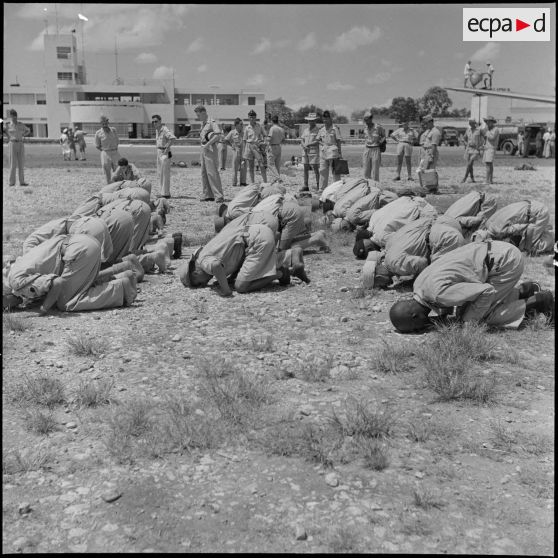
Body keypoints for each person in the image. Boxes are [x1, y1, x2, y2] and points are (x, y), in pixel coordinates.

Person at [389, 241, 554, 333]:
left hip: (506, 263)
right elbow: (451, 291)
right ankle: (525, 291)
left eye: (416, 328)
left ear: (414, 316)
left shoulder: (438, 295)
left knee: (483, 317)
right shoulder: (419, 285)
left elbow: (486, 291)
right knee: (468, 311)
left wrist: (469, 322)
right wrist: (445, 316)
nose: (420, 329)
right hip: (497, 251)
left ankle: (539, 301)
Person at [3, 234, 137, 314]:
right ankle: (120, 271)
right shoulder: (15, 265)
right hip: (81, 242)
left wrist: (43, 309)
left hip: (77, 252)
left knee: (66, 302)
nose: (7, 308)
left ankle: (121, 289)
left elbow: (58, 283)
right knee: (80, 285)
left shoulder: (16, 281)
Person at [178, 217, 309, 297]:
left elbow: (216, 266)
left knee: (241, 286)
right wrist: (226, 279)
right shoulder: (205, 251)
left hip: (255, 241)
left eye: (200, 283)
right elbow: (235, 259)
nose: (205, 283)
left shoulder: (203, 262)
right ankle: (291, 254)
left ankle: (280, 273)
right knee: (260, 262)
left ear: (195, 273)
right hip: (258, 232)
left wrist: (226, 290)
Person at [365, 216, 465, 289]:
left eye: (381, 285)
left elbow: (422, 263)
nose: (386, 285)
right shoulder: (389, 246)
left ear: (379, 277)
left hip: (446, 240)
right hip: (444, 223)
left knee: (443, 277)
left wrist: (415, 281)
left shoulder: (393, 264)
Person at [353, 195, 437, 259]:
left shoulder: (383, 239)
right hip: (412, 199)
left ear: (370, 250)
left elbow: (405, 244)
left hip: (424, 211)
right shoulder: (373, 220)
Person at [22, 215, 114, 265]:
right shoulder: (43, 236)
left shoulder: (32, 244)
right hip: (95, 222)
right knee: (100, 261)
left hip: (84, 228)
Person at [472, 200, 554, 255]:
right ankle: (545, 230)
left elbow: (529, 228)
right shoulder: (488, 223)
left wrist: (526, 249)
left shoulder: (499, 231)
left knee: (533, 246)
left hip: (538, 213)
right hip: (532, 205)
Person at [194, 104, 225, 203]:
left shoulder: (211, 122)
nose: (197, 117)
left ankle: (219, 195)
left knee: (212, 173)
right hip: (204, 148)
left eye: (198, 115)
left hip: (210, 148)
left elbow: (218, 135)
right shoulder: (203, 123)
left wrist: (207, 144)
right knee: (204, 172)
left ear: (203, 113)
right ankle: (207, 194)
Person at [3, 109, 31, 186]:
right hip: (12, 143)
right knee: (12, 164)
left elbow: (28, 130)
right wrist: (8, 137)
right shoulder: (8, 125)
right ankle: (11, 182)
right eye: (12, 116)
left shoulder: (21, 124)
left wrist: (23, 135)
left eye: (15, 116)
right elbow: (3, 130)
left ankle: (22, 182)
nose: (14, 118)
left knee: (21, 163)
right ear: (10, 116)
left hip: (20, 143)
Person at [317, 110, 343, 192]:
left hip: (333, 151)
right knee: (323, 170)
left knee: (335, 171)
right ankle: (322, 189)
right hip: (324, 152)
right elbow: (317, 139)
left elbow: (338, 141)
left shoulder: (335, 129)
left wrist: (340, 152)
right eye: (324, 119)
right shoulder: (321, 129)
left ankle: (337, 188)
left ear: (330, 119)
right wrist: (323, 144)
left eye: (327, 119)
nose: (325, 120)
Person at [152, 114, 176, 199]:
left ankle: (166, 193)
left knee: (165, 174)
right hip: (159, 151)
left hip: (164, 153)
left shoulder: (164, 129)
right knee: (160, 173)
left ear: (160, 121)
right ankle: (162, 192)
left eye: (156, 121)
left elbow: (172, 138)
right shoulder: (157, 130)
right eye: (153, 122)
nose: (154, 123)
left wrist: (167, 148)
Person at [242, 110, 267, 183]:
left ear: (255, 117)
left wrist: (264, 142)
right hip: (249, 146)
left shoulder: (259, 126)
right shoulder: (247, 128)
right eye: (250, 117)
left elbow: (265, 135)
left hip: (257, 146)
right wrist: (244, 152)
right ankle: (252, 183)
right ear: (248, 118)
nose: (252, 118)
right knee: (251, 166)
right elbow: (244, 140)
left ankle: (265, 182)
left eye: (253, 117)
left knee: (261, 165)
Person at [95, 115, 121, 184]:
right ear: (100, 123)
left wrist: (114, 149)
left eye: (105, 122)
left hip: (115, 152)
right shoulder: (98, 133)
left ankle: (117, 185)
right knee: (107, 170)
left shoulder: (114, 130)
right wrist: (105, 151)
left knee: (118, 170)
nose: (104, 124)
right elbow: (97, 145)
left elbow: (117, 141)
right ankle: (109, 185)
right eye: (102, 123)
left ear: (108, 122)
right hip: (105, 153)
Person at [361, 110, 385, 182]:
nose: (366, 121)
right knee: (366, 170)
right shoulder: (365, 128)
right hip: (367, 149)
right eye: (365, 120)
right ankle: (367, 186)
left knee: (375, 170)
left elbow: (384, 136)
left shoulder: (378, 127)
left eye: (367, 120)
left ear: (371, 119)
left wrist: (381, 142)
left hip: (375, 149)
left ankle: (376, 187)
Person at [299, 113, 321, 192]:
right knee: (305, 168)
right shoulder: (305, 130)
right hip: (305, 152)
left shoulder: (318, 130)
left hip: (313, 152)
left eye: (312, 121)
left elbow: (318, 141)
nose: (310, 122)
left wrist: (309, 144)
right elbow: (302, 139)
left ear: (315, 121)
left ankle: (319, 185)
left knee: (315, 169)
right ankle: (305, 185)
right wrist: (303, 145)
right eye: (309, 121)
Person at [224, 118, 247, 187]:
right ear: (236, 125)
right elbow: (225, 140)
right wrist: (231, 146)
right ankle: (234, 182)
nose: (242, 125)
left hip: (243, 152)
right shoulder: (232, 132)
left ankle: (243, 182)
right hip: (236, 152)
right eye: (241, 124)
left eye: (242, 124)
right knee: (234, 168)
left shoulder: (244, 132)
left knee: (243, 167)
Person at [481, 116, 500, 184]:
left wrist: (486, 132)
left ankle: (487, 180)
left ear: (492, 122)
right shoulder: (489, 130)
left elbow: (492, 138)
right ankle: (490, 180)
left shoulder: (495, 129)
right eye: (486, 121)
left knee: (488, 164)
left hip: (491, 148)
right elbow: (486, 139)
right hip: (487, 148)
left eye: (489, 121)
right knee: (489, 164)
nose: (487, 123)